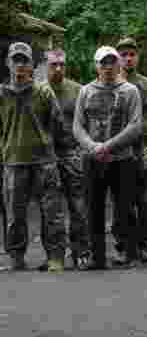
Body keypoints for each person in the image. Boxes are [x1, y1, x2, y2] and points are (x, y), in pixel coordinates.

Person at [73, 46, 144, 270]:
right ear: (96, 66)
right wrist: (93, 146)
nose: (108, 66)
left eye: (112, 61)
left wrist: (108, 146)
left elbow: (135, 125)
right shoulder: (85, 91)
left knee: (125, 208)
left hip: (122, 159)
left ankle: (130, 254)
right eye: (103, 62)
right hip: (93, 159)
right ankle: (97, 257)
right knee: (93, 209)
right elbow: (77, 126)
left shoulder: (130, 91)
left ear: (119, 64)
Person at [0, 42, 67, 272]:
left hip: (44, 162)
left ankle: (55, 257)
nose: (20, 64)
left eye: (24, 60)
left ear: (31, 65)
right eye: (16, 60)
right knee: (14, 214)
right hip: (13, 161)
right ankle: (16, 258)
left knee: (52, 213)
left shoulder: (43, 92)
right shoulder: (1, 94)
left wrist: (48, 144)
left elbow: (58, 124)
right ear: (8, 63)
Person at [115, 37, 147, 264]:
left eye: (132, 54)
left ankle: (146, 245)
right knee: (122, 200)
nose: (128, 59)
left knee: (146, 200)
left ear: (138, 57)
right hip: (119, 149)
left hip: (144, 146)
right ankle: (124, 246)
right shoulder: (111, 83)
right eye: (124, 55)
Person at [43, 49, 89, 270]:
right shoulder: (39, 91)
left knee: (78, 205)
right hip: (47, 156)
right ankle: (54, 255)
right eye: (54, 64)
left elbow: (86, 122)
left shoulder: (78, 90)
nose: (58, 68)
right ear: (46, 66)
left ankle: (81, 252)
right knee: (51, 208)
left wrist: (83, 149)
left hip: (72, 153)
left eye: (62, 64)